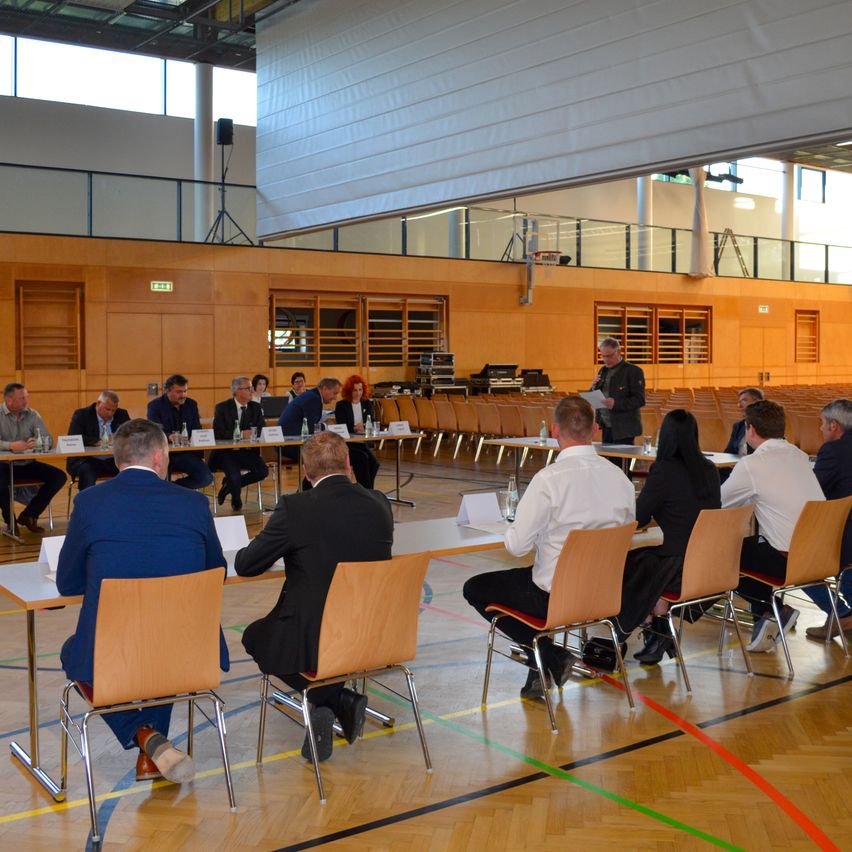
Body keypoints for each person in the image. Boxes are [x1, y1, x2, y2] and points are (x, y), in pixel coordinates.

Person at [56, 419, 229, 783]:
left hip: (117, 654)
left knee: (73, 650)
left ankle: (143, 735)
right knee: (162, 644)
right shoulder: (194, 503)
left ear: (116, 458)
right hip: (189, 651)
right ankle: (151, 746)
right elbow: (217, 572)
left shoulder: (89, 503)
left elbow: (67, 582)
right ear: (159, 457)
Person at [235, 431, 393, 762]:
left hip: (314, 636)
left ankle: (333, 701)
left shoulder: (296, 508)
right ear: (348, 463)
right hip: (372, 630)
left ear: (306, 472)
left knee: (253, 636)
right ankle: (334, 700)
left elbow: (247, 565)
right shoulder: (380, 503)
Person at [462, 396, 635, 698]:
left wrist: (515, 528)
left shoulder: (549, 480)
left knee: (475, 588)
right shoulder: (620, 478)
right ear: (595, 429)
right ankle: (542, 665)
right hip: (605, 593)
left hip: (554, 598)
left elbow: (517, 546)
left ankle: (549, 655)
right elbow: (625, 534)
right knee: (535, 575)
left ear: (554, 430)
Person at [613, 410, 721, 666]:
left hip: (677, 566)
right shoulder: (710, 469)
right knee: (645, 561)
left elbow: (639, 517)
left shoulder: (664, 470)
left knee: (624, 563)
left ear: (667, 437)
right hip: (709, 563)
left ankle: (650, 626)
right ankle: (658, 628)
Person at [723, 400, 825, 652]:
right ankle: (767, 613)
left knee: (722, 553)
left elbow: (718, 504)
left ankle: (773, 610)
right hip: (822, 554)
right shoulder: (799, 456)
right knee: (755, 546)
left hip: (789, 558)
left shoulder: (753, 464)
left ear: (751, 429)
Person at [803, 398, 852, 640]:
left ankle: (840, 614)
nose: (821, 428)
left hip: (843, 534)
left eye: (822, 423)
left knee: (797, 563)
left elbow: (813, 491)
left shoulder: (832, 450)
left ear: (834, 426)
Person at [0, 382, 66, 533]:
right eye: (22, 398)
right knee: (0, 483)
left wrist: (38, 442)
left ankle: (29, 515)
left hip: (27, 463)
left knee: (58, 476)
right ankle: (10, 522)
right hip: (3, 465)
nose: (26, 401)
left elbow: (48, 439)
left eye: (27, 397)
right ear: (9, 400)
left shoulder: (33, 414)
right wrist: (10, 446)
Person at [208, 376, 268, 511]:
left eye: (251, 388)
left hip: (247, 451)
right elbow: (218, 433)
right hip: (226, 452)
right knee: (234, 475)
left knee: (262, 471)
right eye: (248, 388)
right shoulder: (222, 408)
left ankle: (229, 486)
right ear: (237, 391)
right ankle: (236, 499)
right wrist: (241, 434)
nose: (252, 391)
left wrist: (254, 433)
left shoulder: (255, 407)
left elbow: (262, 429)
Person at [146, 374, 213, 491]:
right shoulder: (155, 406)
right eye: (179, 392)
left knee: (206, 478)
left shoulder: (191, 404)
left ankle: (171, 489)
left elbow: (196, 428)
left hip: (187, 454)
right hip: (164, 453)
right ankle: (166, 490)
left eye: (185, 391)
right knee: (161, 477)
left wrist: (195, 437)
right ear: (167, 391)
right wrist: (169, 436)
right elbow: (153, 432)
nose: (183, 395)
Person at [279, 377, 341, 489]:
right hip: (290, 443)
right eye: (334, 393)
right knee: (323, 461)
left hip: (292, 441)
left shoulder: (312, 396)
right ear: (325, 389)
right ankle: (305, 494)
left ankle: (305, 493)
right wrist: (327, 426)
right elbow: (311, 428)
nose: (335, 397)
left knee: (325, 459)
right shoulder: (313, 399)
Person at [66, 390, 130, 490]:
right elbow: (73, 437)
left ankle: (124, 498)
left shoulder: (122, 414)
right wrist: (97, 441)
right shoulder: (82, 414)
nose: (110, 414)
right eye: (107, 409)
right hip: (86, 460)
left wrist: (119, 439)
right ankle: (86, 498)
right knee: (88, 471)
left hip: (113, 459)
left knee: (130, 469)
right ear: (98, 403)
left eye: (113, 410)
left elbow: (131, 435)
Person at [590, 336, 646, 445]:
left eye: (609, 356)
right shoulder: (603, 370)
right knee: (606, 456)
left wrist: (616, 404)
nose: (606, 360)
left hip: (624, 429)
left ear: (619, 352)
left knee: (620, 456)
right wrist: (593, 387)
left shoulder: (633, 371)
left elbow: (640, 400)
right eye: (603, 356)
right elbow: (598, 394)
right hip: (606, 426)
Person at [334, 374, 380, 488]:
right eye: (355, 390)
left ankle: (366, 489)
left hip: (361, 442)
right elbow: (342, 425)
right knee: (362, 458)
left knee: (374, 463)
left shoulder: (366, 403)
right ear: (349, 391)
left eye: (360, 390)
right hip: (347, 444)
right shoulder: (341, 406)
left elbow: (372, 421)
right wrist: (354, 428)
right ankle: (366, 491)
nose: (358, 393)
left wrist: (364, 425)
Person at [720, 387, 764, 483]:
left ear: (757, 403)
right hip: (736, 469)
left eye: (743, 400)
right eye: (738, 402)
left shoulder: (766, 426)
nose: (738, 405)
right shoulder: (738, 426)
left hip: (755, 471)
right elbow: (729, 451)